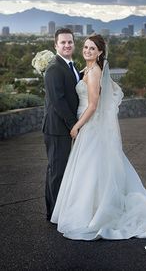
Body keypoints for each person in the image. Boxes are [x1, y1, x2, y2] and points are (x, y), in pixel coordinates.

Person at [51, 34, 146, 240]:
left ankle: (95, 213)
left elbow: (94, 105)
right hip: (88, 125)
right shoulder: (86, 69)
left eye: (92, 49)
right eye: (86, 47)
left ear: (100, 52)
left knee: (90, 169)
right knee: (91, 170)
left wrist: (76, 126)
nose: (87, 51)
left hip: (89, 125)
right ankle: (91, 208)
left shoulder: (94, 72)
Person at [42, 28, 80, 221]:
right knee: (57, 172)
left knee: (62, 170)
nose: (67, 45)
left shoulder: (69, 65)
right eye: (63, 42)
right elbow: (59, 101)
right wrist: (74, 125)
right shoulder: (54, 68)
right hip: (57, 129)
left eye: (70, 42)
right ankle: (54, 214)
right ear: (55, 45)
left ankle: (59, 210)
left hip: (65, 128)